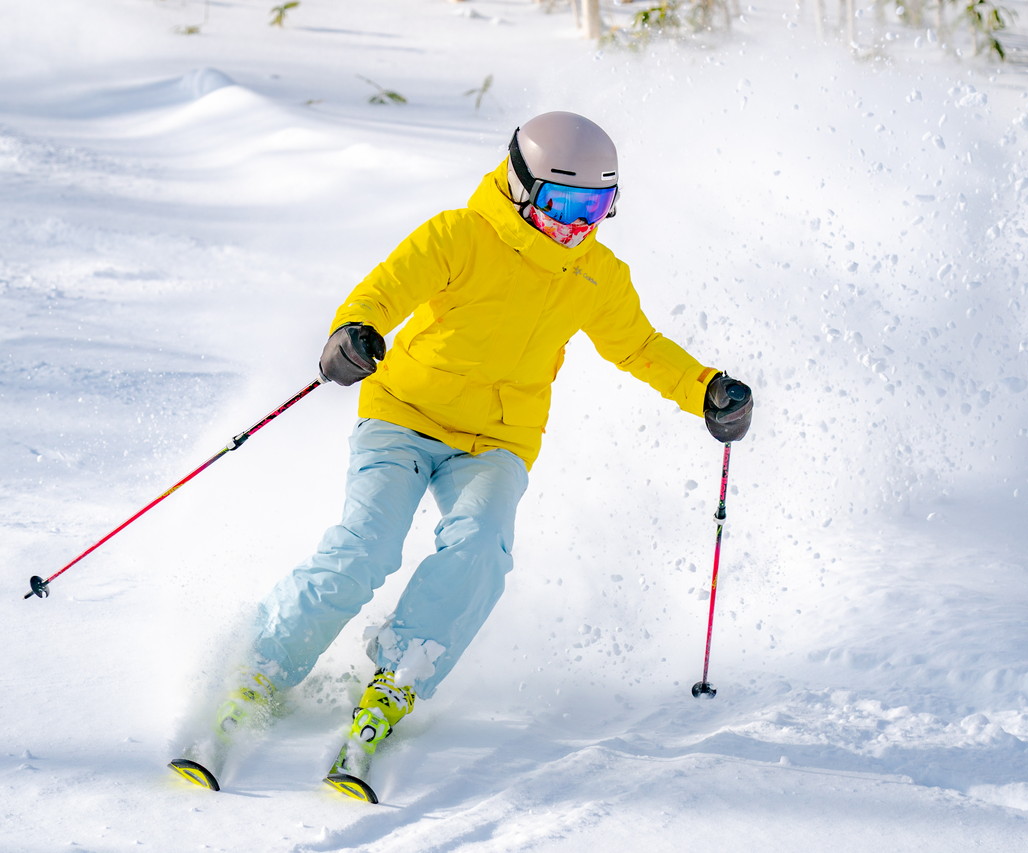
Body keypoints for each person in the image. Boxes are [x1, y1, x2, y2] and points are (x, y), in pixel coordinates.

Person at [219, 111, 753, 775]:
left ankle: (405, 669)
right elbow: (386, 288)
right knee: (368, 545)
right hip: (403, 414)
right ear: (522, 185)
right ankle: (264, 661)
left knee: (481, 548)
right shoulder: (460, 236)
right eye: (564, 204)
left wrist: (705, 389)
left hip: (498, 440)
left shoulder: (596, 273)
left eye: (598, 206)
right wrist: (354, 332)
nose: (578, 225)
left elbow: (639, 347)